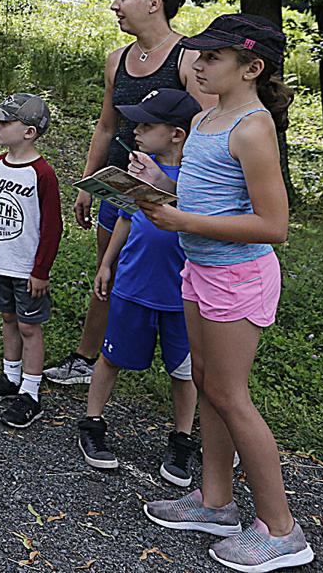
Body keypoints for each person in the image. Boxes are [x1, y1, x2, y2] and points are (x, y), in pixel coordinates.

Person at [135, 15, 313, 571]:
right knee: (207, 383)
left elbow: (273, 226)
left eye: (213, 57)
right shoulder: (210, 115)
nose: (199, 64)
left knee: (232, 395)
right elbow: (208, 192)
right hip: (200, 267)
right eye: (200, 55)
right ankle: (215, 502)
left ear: (252, 68)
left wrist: (180, 217)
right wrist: (161, 185)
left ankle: (281, 529)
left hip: (238, 277)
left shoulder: (253, 128)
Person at [46, 0, 215, 386]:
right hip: (120, 188)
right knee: (109, 269)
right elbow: (107, 126)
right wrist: (88, 184)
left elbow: (208, 133)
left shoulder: (188, 57)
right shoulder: (116, 59)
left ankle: (194, 373)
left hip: (172, 193)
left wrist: (176, 186)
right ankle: (87, 358)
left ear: (154, 3)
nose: (114, 6)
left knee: (179, 280)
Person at [77, 88, 201, 486]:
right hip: (132, 284)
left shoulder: (201, 179)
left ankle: (182, 439)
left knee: (184, 372)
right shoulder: (136, 170)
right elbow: (127, 217)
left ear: (177, 134)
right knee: (111, 358)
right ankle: (92, 423)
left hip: (182, 294)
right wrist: (107, 264)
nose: (137, 132)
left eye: (148, 125)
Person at [0, 94, 61, 430]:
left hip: (27, 268)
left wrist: (41, 271)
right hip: (1, 262)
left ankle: (31, 392)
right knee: (8, 318)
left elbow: (52, 227)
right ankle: (11, 377)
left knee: (29, 327)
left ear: (30, 132)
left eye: (5, 122)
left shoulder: (42, 174)